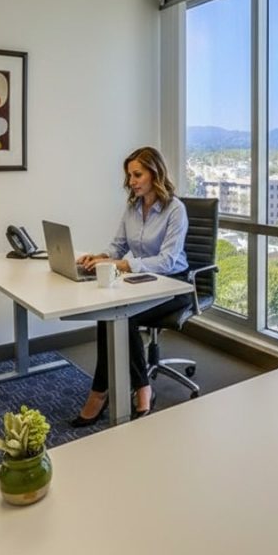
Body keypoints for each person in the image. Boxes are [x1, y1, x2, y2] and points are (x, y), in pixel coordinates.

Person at [71, 146, 191, 426]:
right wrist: (100, 257)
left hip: (176, 286)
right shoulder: (132, 207)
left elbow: (168, 260)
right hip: (144, 282)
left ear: (155, 173)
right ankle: (113, 390)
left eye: (137, 174)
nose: (132, 181)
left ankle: (123, 391)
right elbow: (118, 246)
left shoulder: (176, 210)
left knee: (124, 316)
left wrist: (124, 265)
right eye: (130, 176)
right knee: (109, 312)